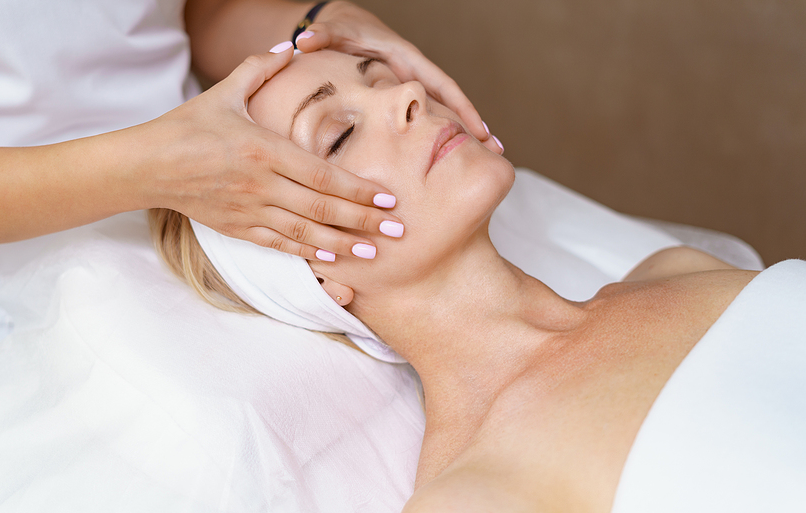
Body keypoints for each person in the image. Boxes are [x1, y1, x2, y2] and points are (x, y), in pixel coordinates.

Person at [149, 49, 805, 512]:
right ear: (313, 274)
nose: (407, 95)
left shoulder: (677, 270)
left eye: (380, 78)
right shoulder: (475, 495)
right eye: (340, 134)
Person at [0, 0, 501, 411]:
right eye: (340, 137)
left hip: (220, 223)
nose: (407, 97)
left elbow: (206, 7)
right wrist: (154, 168)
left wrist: (320, 22)